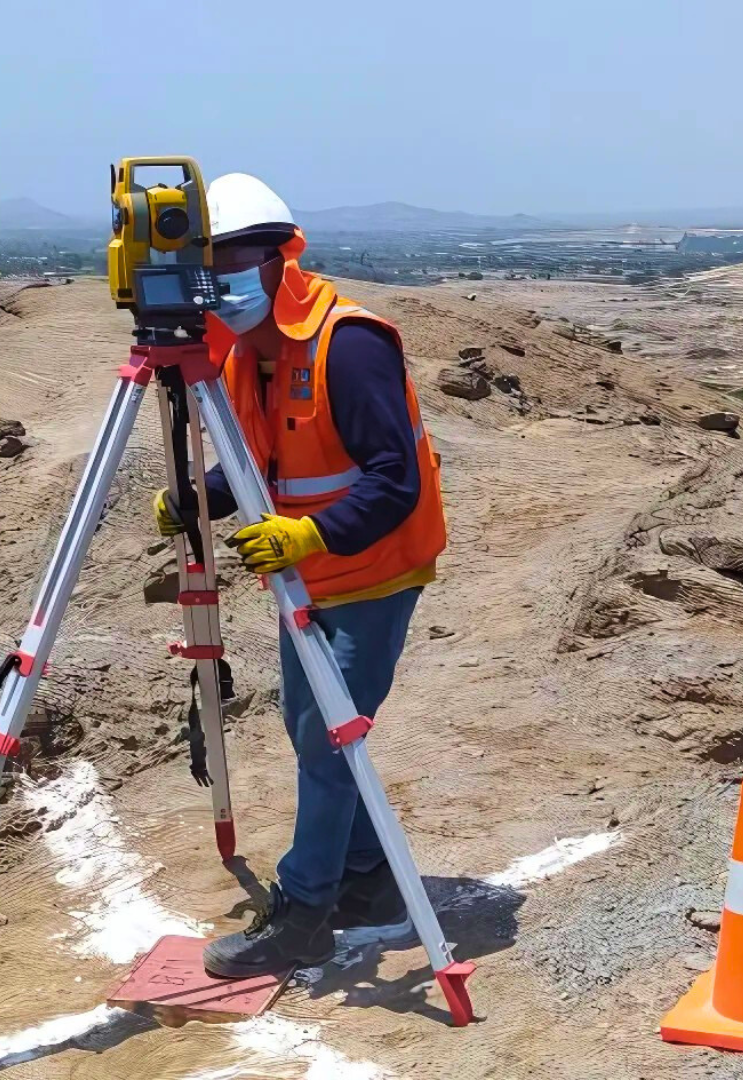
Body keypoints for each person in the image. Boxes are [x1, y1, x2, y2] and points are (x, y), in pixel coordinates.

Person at [152, 173, 447, 978]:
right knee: (307, 724)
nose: (222, 277)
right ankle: (365, 875)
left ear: (283, 257)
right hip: (308, 568)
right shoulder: (248, 350)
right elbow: (263, 465)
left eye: (236, 257)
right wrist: (198, 498)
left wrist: (307, 534)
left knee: (326, 738)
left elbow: (395, 481)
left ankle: (305, 909)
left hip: (376, 570)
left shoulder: (347, 344)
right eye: (208, 262)